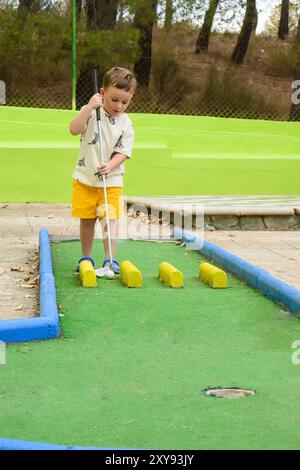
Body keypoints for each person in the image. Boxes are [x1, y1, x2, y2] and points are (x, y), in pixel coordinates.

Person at [70, 67, 137, 274]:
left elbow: (123, 152)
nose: (119, 106)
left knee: (109, 221)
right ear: (102, 92)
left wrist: (111, 165)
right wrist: (89, 107)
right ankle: (86, 256)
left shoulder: (126, 123)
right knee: (87, 220)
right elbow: (74, 129)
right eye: (114, 99)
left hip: (112, 180)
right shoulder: (91, 112)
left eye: (124, 102)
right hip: (85, 179)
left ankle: (110, 259)